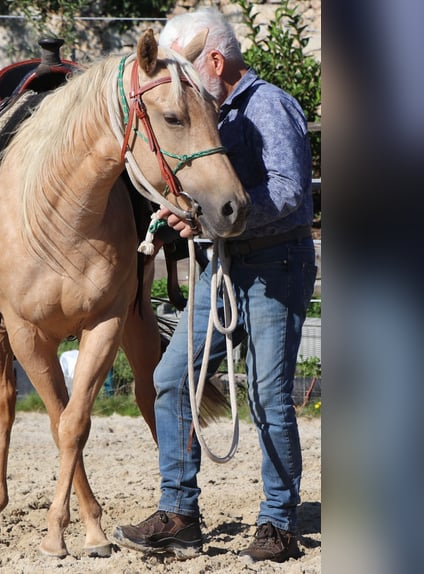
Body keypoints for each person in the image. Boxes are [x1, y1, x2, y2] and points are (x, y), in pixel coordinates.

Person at [112, 8, 317, 563]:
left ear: (216, 61)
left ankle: (277, 522)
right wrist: (188, 215)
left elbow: (291, 191)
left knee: (268, 394)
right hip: (223, 268)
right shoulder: (213, 114)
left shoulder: (268, 105)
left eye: (187, 64)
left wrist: (218, 220)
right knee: (170, 378)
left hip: (275, 265)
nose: (179, 78)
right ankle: (179, 513)